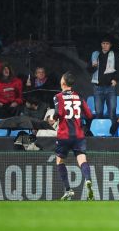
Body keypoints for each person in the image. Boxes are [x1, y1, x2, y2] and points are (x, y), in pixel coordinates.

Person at [51, 72, 94, 200]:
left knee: (59, 160)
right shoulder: (79, 96)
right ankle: (88, 180)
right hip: (79, 135)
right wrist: (84, 126)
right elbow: (90, 115)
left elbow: (58, 113)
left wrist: (53, 118)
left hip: (64, 135)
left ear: (63, 82)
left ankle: (68, 189)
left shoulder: (57, 96)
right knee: (82, 160)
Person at [90, 36, 119, 122]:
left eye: (107, 44)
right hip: (98, 88)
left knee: (112, 112)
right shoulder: (95, 55)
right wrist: (93, 66)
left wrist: (115, 79)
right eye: (103, 43)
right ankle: (99, 134)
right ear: (101, 44)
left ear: (110, 45)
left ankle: (113, 133)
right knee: (99, 112)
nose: (105, 45)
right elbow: (89, 70)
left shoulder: (115, 55)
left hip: (110, 88)